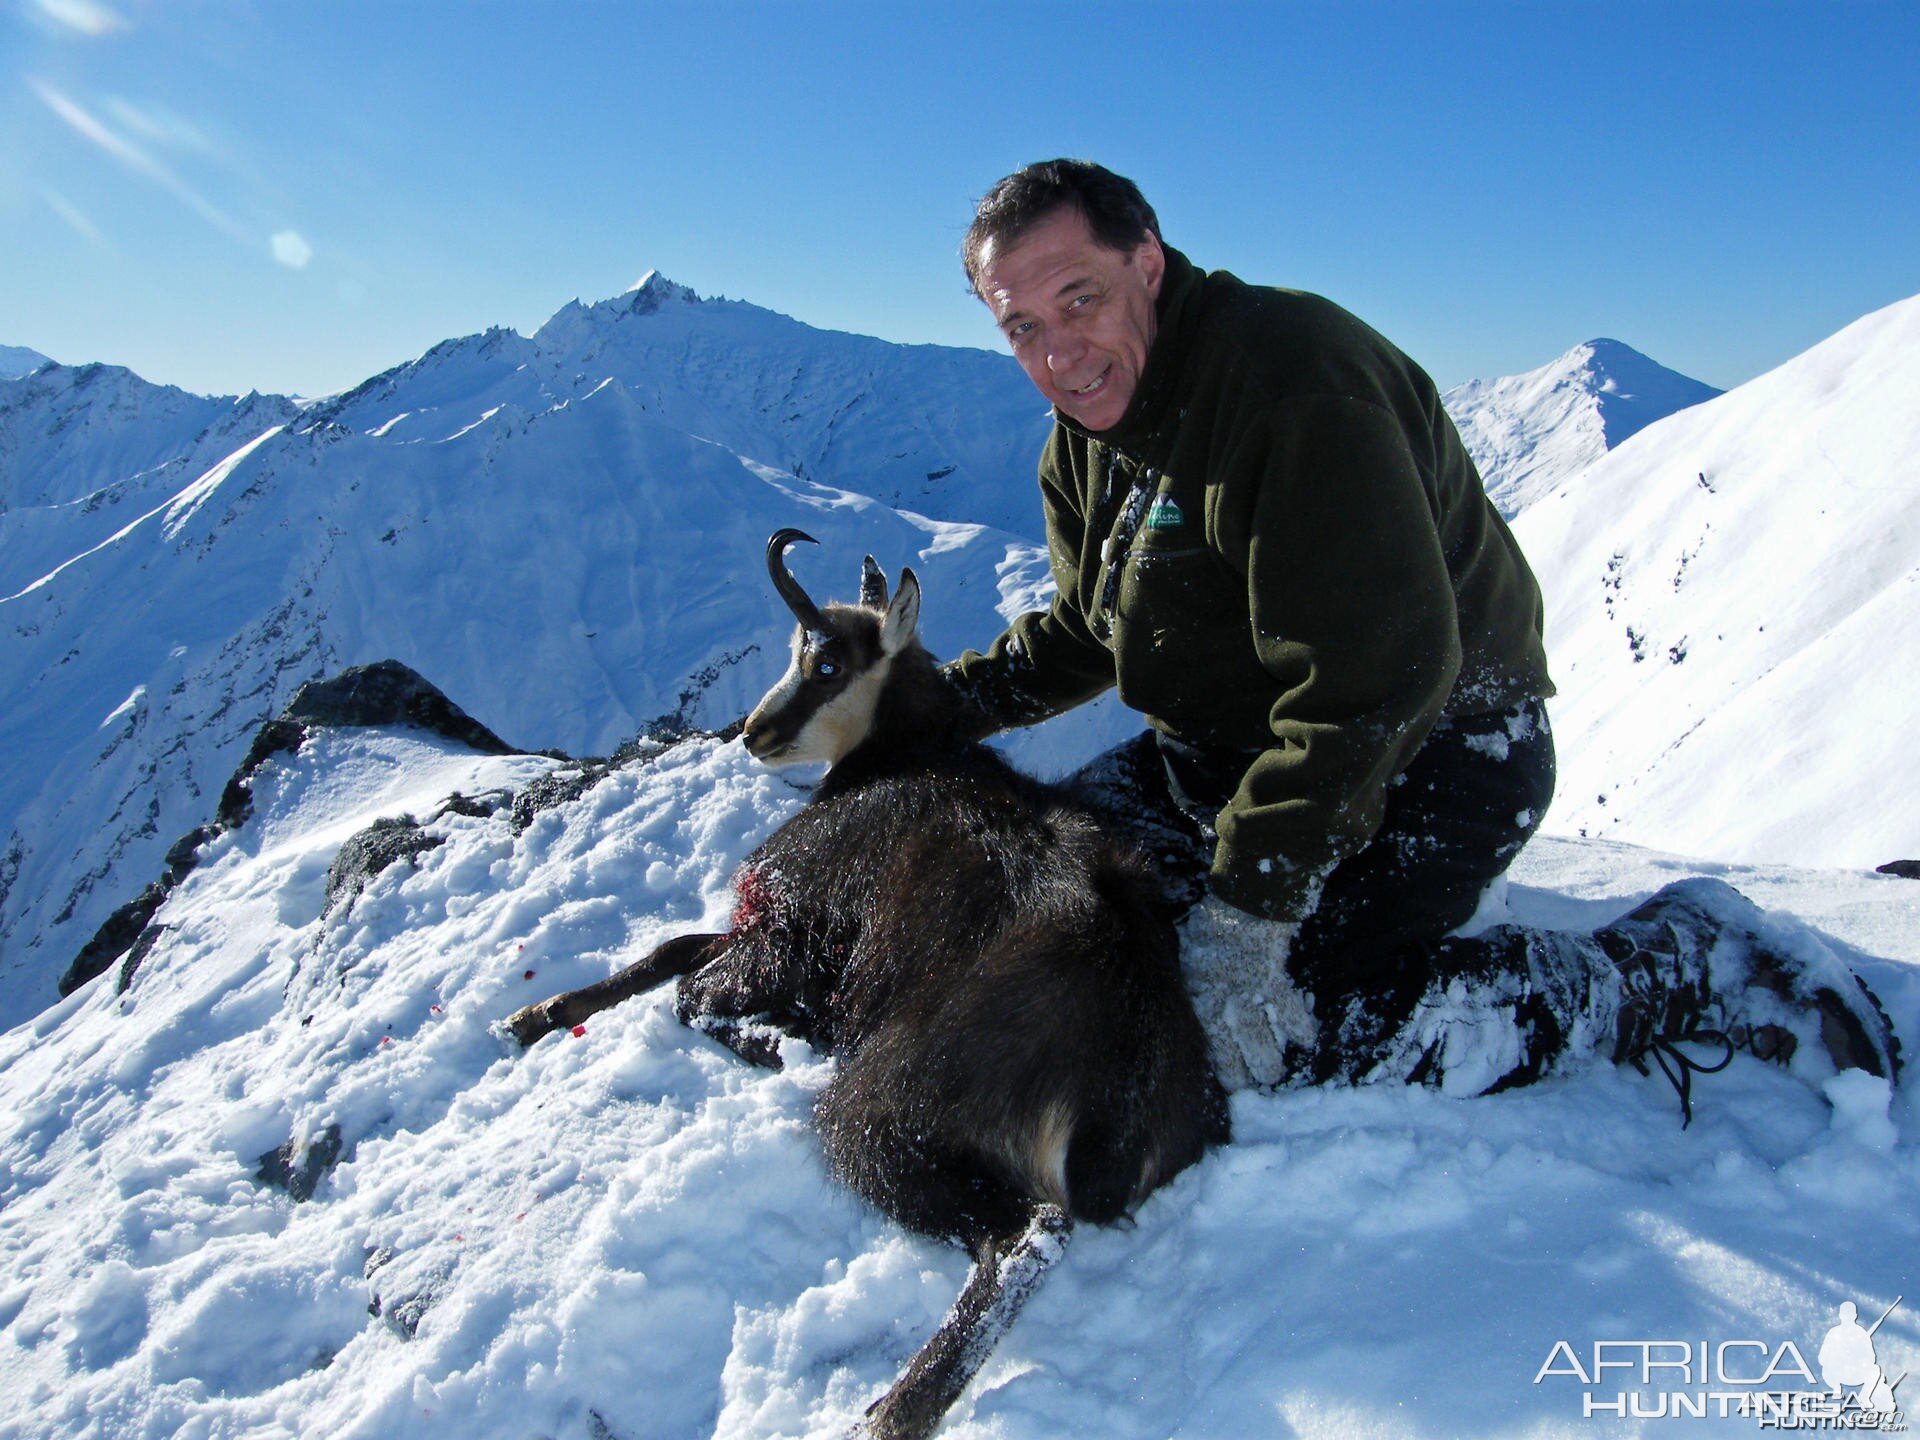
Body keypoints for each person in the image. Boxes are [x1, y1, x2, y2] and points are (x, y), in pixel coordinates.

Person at [941, 158, 1899, 1107]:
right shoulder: (1091, 437)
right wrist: (924, 705)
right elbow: (1090, 624)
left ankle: (1684, 961)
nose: (1057, 354)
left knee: (1295, 1026)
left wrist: (1249, 915)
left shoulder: (1289, 384)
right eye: (1022, 326)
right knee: (1044, 905)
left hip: (1434, 754)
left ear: (1146, 262)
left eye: (1080, 298)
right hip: (1238, 755)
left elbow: (1375, 678)